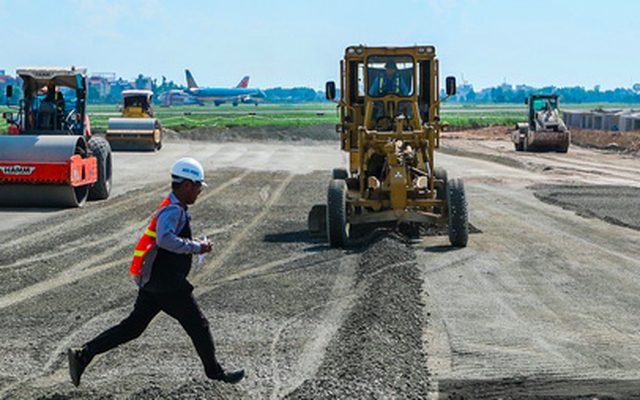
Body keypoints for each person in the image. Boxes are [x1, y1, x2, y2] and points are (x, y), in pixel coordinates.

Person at [68, 157, 245, 387]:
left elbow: (167, 239)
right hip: (169, 284)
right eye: (198, 186)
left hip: (154, 283)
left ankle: (84, 353)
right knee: (199, 326)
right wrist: (197, 247)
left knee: (133, 328)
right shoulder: (172, 210)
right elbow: (164, 239)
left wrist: (191, 244)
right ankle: (216, 374)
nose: (199, 191)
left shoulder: (173, 206)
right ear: (186, 185)